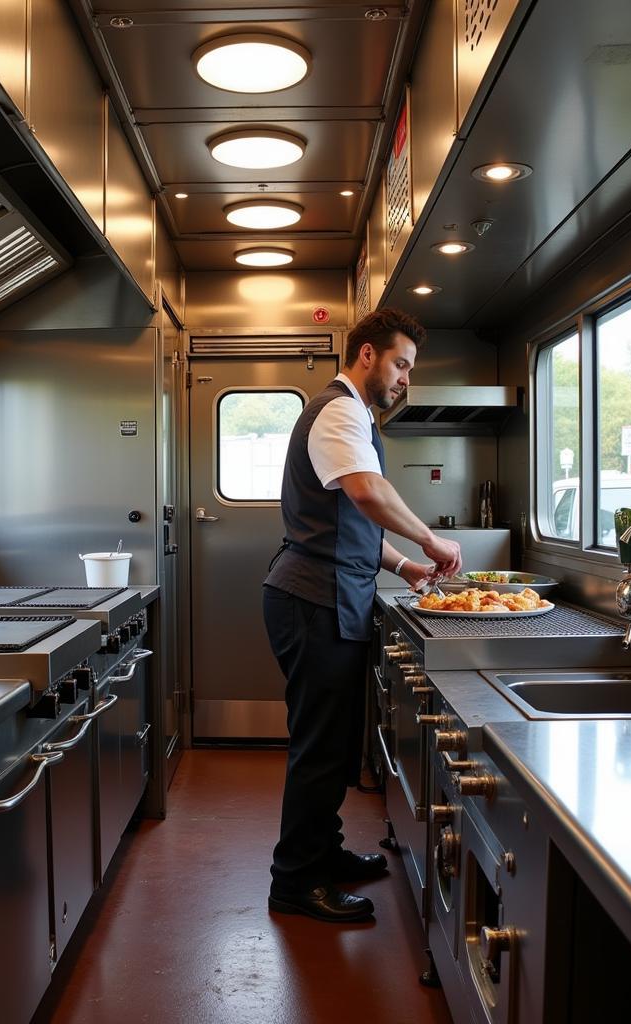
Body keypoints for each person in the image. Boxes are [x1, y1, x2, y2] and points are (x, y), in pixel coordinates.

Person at [263, 307, 462, 924]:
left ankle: (324, 852)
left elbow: (352, 522)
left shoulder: (352, 416)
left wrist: (404, 567)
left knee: (333, 740)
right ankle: (294, 882)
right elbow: (368, 496)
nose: (405, 377)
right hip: (312, 600)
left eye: (410, 367)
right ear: (368, 354)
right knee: (320, 747)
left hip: (328, 596)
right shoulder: (340, 409)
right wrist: (431, 541)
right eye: (401, 363)